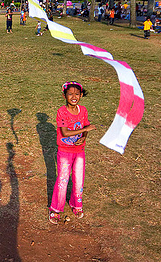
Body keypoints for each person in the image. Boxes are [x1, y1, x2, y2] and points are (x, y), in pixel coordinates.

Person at [49, 81, 96, 224]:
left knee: (78, 179)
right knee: (63, 180)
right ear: (64, 95)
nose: (73, 96)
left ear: (81, 95)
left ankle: (76, 204)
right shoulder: (62, 111)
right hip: (64, 151)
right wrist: (84, 131)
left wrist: (84, 137)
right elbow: (64, 132)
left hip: (79, 151)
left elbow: (86, 125)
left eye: (77, 94)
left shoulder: (83, 110)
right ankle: (55, 210)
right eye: (70, 94)